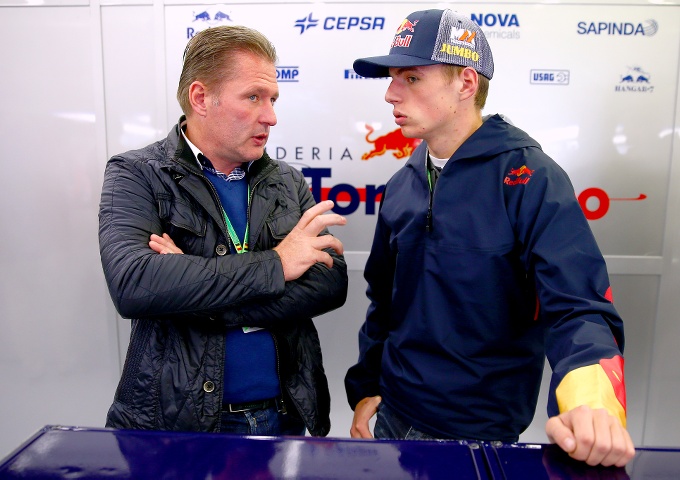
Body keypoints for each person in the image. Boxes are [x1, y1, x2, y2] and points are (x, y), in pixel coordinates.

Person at [344, 9, 635, 467]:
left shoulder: (529, 178)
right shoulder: (404, 182)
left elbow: (578, 306)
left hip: (479, 436)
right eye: (392, 77)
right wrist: (367, 390)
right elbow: (384, 303)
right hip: (393, 417)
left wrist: (591, 400)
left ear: (465, 82)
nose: (390, 93)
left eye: (412, 78)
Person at [99, 25, 348, 437]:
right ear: (201, 98)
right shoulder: (137, 174)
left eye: (272, 99)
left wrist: (194, 292)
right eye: (253, 97)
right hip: (178, 424)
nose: (270, 116)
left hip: (284, 415)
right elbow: (135, 284)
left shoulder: (286, 181)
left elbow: (329, 283)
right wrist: (278, 265)